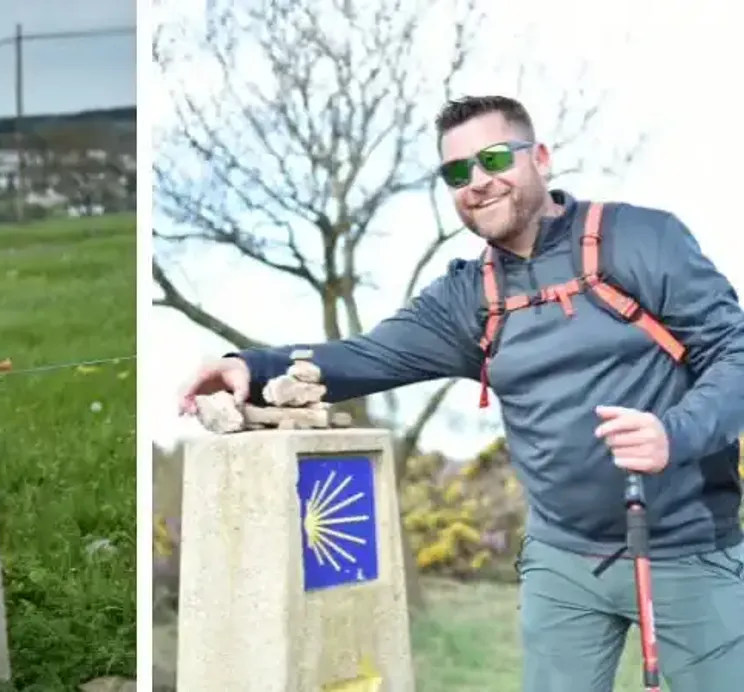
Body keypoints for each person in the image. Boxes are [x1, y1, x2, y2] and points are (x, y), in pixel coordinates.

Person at [178, 95, 744, 692]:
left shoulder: (639, 238)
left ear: (541, 159)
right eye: (456, 172)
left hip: (686, 550)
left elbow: (735, 352)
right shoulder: (467, 297)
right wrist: (251, 365)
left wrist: (673, 435)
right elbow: (368, 355)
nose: (476, 182)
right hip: (561, 560)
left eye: (494, 158)